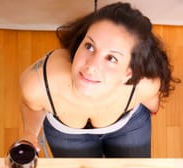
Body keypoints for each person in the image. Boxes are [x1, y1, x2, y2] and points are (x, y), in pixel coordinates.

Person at [20, 2, 179, 158]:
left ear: (128, 73)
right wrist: (29, 134)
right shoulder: (39, 82)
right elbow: (31, 106)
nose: (91, 66)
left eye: (111, 58)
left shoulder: (144, 85)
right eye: (89, 46)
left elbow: (152, 102)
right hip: (67, 135)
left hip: (127, 126)